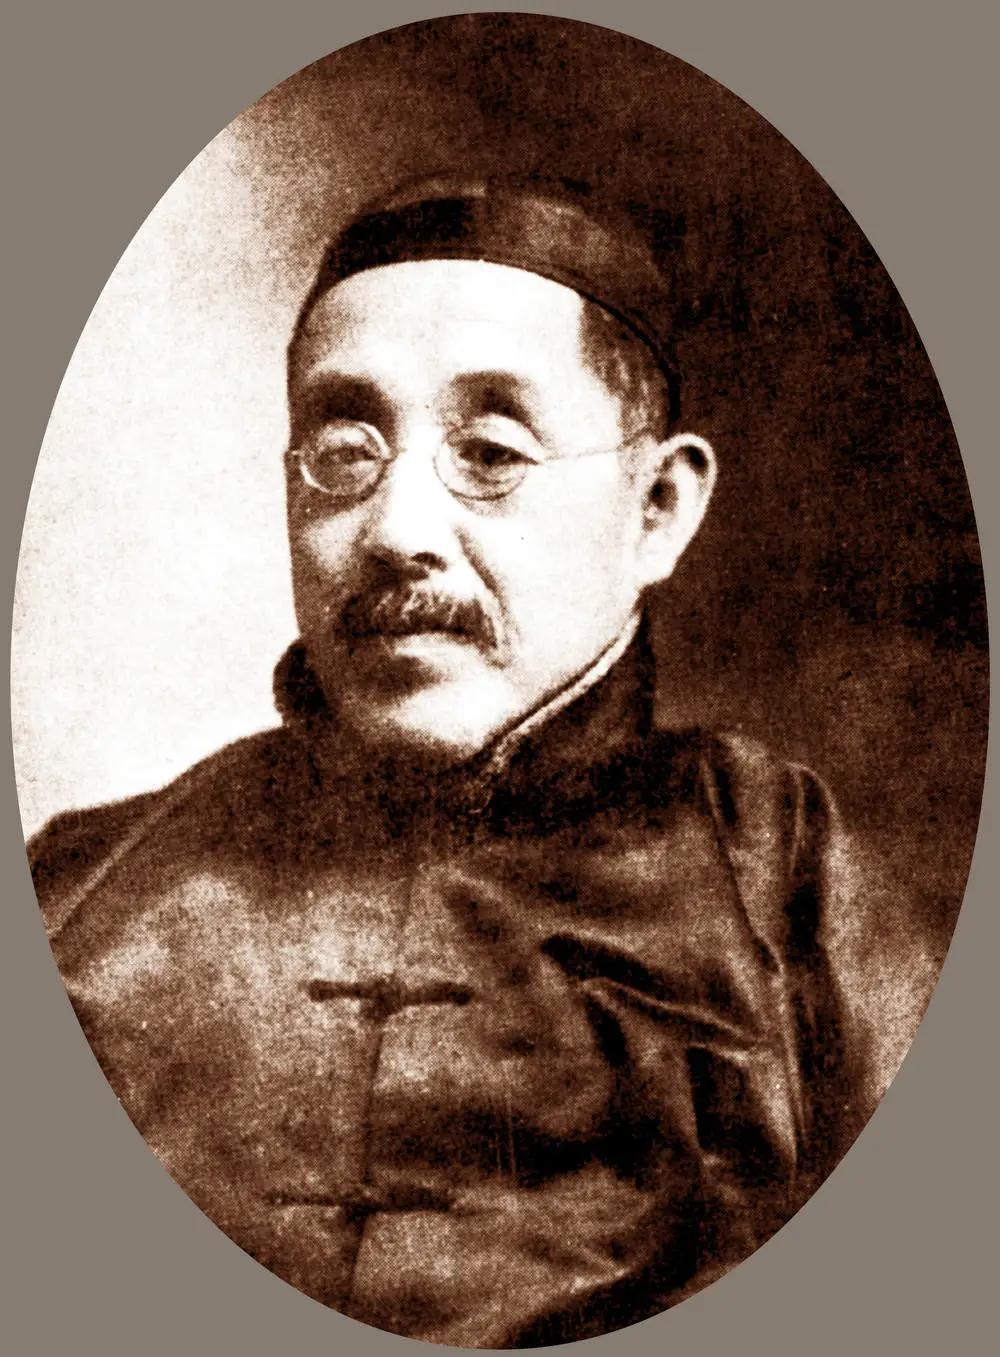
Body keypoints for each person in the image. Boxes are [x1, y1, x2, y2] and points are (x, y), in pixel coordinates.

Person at [30, 175, 879, 1347]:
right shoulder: (79, 887)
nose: (396, 531)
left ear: (656, 509)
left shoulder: (786, 878)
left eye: (489, 451)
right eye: (345, 451)